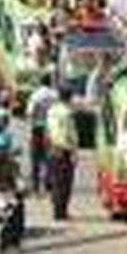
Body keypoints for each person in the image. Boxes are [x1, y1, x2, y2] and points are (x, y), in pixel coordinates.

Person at [47, 84, 78, 221]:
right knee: (65, 182)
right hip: (64, 149)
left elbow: (48, 130)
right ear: (69, 97)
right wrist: (74, 151)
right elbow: (70, 133)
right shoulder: (67, 113)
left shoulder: (52, 111)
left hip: (53, 148)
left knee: (56, 180)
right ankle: (62, 211)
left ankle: (57, 210)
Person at [25, 75, 57, 193]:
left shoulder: (36, 95)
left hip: (37, 129)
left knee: (35, 158)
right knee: (49, 158)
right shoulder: (55, 95)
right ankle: (49, 184)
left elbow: (29, 112)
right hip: (51, 129)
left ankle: (36, 186)